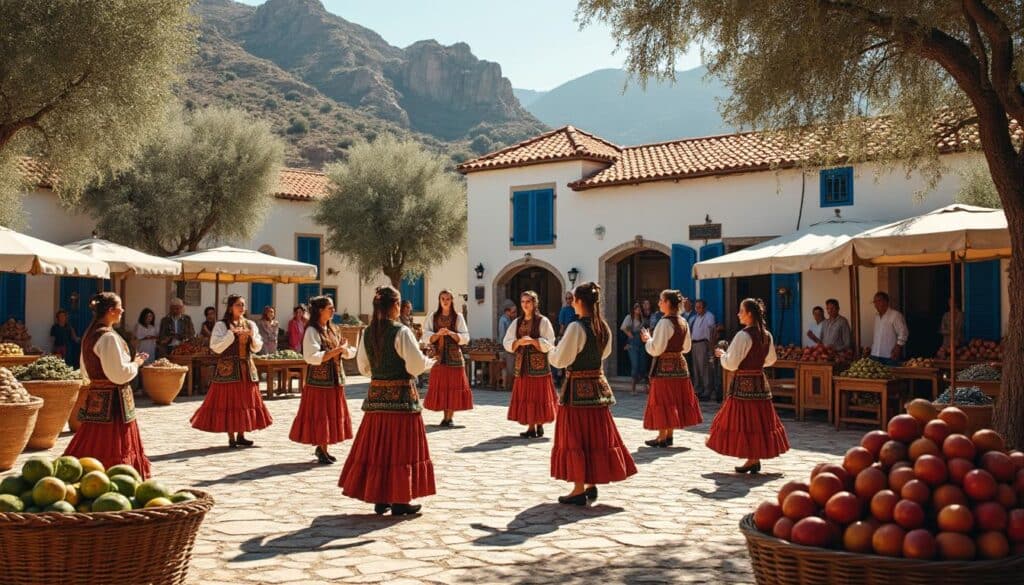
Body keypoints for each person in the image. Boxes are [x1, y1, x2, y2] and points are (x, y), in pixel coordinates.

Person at [339, 286, 436, 516]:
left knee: (378, 447)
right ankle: (400, 500)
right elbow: (415, 366)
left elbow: (364, 368)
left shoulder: (368, 332)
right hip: (401, 399)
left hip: (376, 399)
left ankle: (380, 497)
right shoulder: (401, 332)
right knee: (400, 448)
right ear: (395, 306)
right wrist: (431, 361)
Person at [548, 282, 637, 506]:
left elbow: (561, 359)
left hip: (577, 389)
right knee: (595, 434)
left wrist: (550, 349)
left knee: (576, 435)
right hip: (597, 387)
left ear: (578, 301)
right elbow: (604, 353)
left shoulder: (576, 328)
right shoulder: (603, 327)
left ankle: (578, 487)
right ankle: (590, 483)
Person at [64, 292, 151, 477]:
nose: (122, 310)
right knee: (112, 445)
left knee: (93, 441)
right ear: (111, 311)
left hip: (98, 398)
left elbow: (85, 368)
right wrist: (136, 363)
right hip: (114, 403)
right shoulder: (108, 337)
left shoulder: (90, 333)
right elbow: (118, 374)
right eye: (120, 307)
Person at [707, 298, 791, 473]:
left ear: (750, 314)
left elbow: (731, 363)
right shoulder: (766, 335)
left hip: (743, 385)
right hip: (759, 383)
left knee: (745, 421)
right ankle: (754, 458)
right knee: (758, 420)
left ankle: (752, 459)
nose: (738, 314)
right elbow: (771, 360)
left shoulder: (743, 335)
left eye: (741, 311)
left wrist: (722, 355)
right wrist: (756, 365)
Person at [190, 294, 273, 448]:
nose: (241, 308)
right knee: (230, 401)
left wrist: (251, 337)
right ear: (230, 307)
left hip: (246, 368)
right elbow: (215, 346)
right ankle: (231, 436)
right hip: (228, 369)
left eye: (243, 305)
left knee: (244, 400)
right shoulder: (222, 325)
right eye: (238, 305)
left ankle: (241, 434)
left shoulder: (250, 324)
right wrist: (231, 334)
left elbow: (257, 347)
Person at [289, 296, 355, 464]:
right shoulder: (312, 331)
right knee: (321, 414)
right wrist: (336, 351)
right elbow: (311, 356)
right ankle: (322, 447)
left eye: (333, 307)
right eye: (330, 308)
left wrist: (345, 351)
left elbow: (345, 349)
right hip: (319, 381)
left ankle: (323, 447)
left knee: (330, 413)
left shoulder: (333, 329)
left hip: (334, 378)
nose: (333, 310)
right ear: (320, 310)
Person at [640, 289, 702, 448]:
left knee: (663, 400)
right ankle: (669, 435)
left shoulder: (664, 322)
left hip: (665, 368)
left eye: (661, 300)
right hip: (680, 367)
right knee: (674, 400)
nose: (659, 303)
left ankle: (662, 436)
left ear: (668, 303)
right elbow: (687, 347)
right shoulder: (683, 322)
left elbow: (656, 349)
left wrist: (648, 340)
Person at [503, 291, 558, 438]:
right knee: (527, 394)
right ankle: (532, 426)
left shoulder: (543, 321)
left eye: (528, 301)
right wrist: (519, 342)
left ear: (534, 303)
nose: (525, 305)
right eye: (523, 302)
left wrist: (534, 341)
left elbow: (550, 342)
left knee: (538, 394)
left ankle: (537, 424)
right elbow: (507, 341)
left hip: (539, 365)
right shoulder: (517, 322)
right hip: (522, 365)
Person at [422, 289, 472, 427]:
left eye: (448, 299)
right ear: (439, 300)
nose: (445, 301)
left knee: (453, 386)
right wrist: (438, 334)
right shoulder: (433, 316)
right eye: (443, 298)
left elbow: (465, 337)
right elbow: (426, 335)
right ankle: (445, 416)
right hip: (438, 357)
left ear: (452, 301)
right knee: (442, 386)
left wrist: (450, 333)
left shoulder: (458, 317)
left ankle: (449, 417)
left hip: (454, 357)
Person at [870, 292, 909, 366]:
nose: (876, 304)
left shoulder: (895, 315)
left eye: (878, 301)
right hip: (875, 354)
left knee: (891, 376)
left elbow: (903, 333)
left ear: (886, 302)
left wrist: (898, 347)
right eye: (874, 302)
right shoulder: (876, 316)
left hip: (889, 355)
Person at [690, 299, 718, 400]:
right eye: (696, 307)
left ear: (704, 307)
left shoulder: (709, 316)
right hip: (695, 344)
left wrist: (711, 345)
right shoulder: (695, 317)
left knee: (705, 368)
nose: (697, 309)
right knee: (696, 368)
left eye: (699, 307)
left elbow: (712, 329)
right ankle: (698, 390)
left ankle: (707, 391)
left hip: (703, 343)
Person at [620, 303, 648, 395]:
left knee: (643, 364)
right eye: (636, 308)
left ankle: (642, 384)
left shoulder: (642, 318)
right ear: (633, 309)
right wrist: (630, 335)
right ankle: (633, 389)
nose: (638, 310)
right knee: (635, 365)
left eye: (639, 308)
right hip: (633, 342)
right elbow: (623, 327)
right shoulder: (629, 317)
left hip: (641, 342)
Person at [496, 300, 517, 388]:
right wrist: (504, 347)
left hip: (510, 346)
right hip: (506, 347)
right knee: (507, 366)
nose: (515, 314)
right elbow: (502, 334)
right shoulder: (503, 320)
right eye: (513, 312)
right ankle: (506, 385)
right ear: (507, 311)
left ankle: (508, 385)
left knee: (510, 366)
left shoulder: (509, 320)